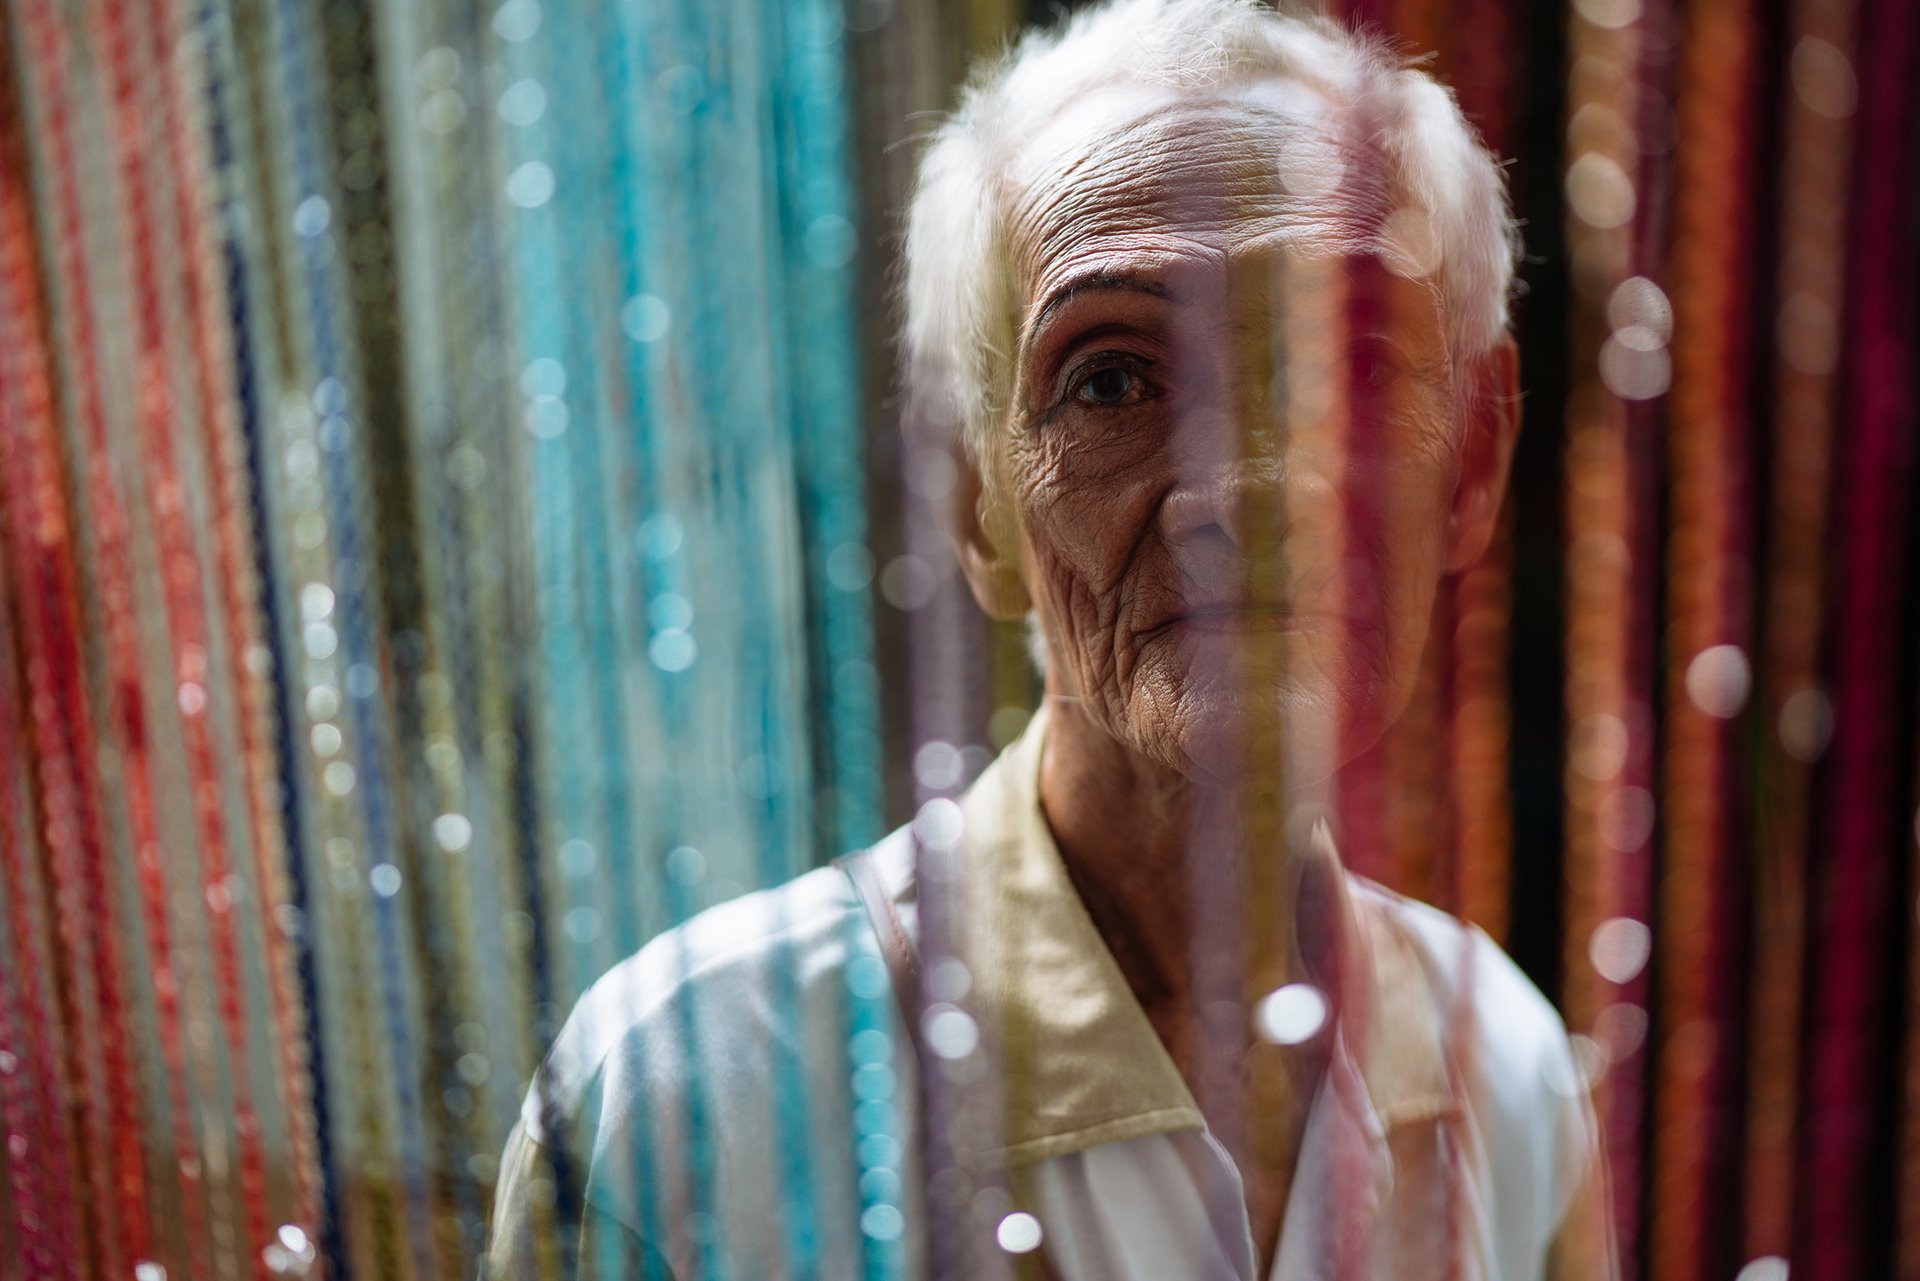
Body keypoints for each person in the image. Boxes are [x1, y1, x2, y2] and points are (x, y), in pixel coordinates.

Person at [488, 1, 1616, 1276]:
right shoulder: (688, 1102)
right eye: (1115, 380)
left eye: (1349, 367)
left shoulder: (1506, 1072)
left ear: (1472, 464)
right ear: (977, 502)